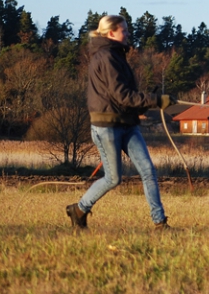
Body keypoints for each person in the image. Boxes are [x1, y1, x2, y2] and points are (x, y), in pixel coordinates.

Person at [66, 14, 176, 231]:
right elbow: (123, 96)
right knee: (113, 178)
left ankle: (160, 223)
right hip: (107, 127)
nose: (128, 34)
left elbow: (125, 98)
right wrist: (156, 101)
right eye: (124, 30)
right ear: (111, 33)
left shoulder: (116, 56)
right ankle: (79, 209)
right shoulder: (106, 57)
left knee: (148, 171)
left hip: (127, 124)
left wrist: (146, 104)